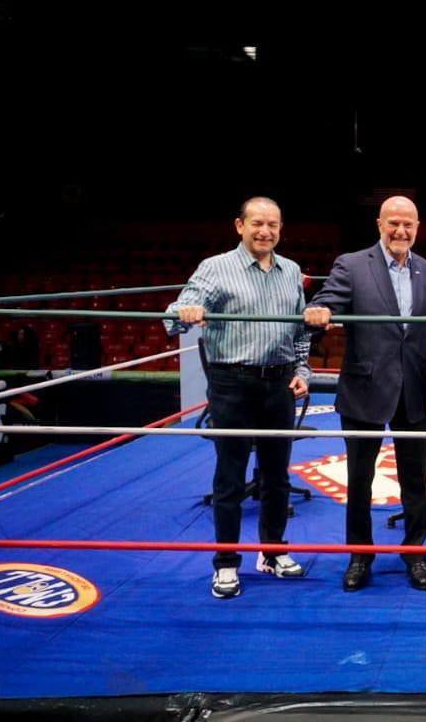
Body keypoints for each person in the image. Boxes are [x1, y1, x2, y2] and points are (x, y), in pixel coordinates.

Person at [166, 197, 311, 600]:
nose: (265, 231)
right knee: (230, 477)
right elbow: (176, 310)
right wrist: (185, 312)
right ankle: (226, 562)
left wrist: (302, 372)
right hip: (232, 382)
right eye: (257, 223)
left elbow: (300, 332)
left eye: (272, 225)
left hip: (278, 383)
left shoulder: (290, 270)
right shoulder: (215, 267)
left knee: (277, 475)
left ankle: (273, 551)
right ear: (239, 226)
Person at [303, 196, 426, 592]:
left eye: (408, 224)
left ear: (418, 227)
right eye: (393, 223)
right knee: (360, 480)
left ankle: (415, 553)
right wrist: (319, 312)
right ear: (379, 223)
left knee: (415, 480)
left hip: (413, 390)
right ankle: (360, 556)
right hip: (364, 388)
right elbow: (326, 302)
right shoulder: (352, 264)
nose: (401, 231)